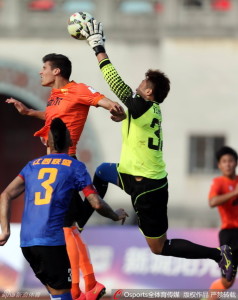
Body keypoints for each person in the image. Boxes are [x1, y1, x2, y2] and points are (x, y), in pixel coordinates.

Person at [79, 20, 236, 283]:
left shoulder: (144, 106)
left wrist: (98, 48)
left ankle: (218, 255)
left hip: (147, 186)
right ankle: (80, 223)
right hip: (131, 174)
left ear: (148, 91)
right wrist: (123, 119)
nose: (137, 88)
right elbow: (134, 118)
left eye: (141, 85)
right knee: (102, 171)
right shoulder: (146, 110)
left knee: (159, 248)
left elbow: (117, 85)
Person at [6, 53, 126, 300]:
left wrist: (117, 111)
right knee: (70, 229)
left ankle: (87, 286)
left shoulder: (79, 89)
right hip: (57, 167)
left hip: (67, 169)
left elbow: (105, 102)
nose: (41, 72)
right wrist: (29, 113)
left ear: (57, 71)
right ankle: (84, 287)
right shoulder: (54, 97)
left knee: (69, 228)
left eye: (44, 68)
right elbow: (54, 116)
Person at [207, 146, 238, 293]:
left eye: (231, 161)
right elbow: (212, 202)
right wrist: (234, 193)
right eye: (224, 161)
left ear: (236, 163)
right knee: (227, 281)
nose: (228, 164)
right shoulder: (219, 182)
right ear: (219, 165)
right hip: (229, 234)